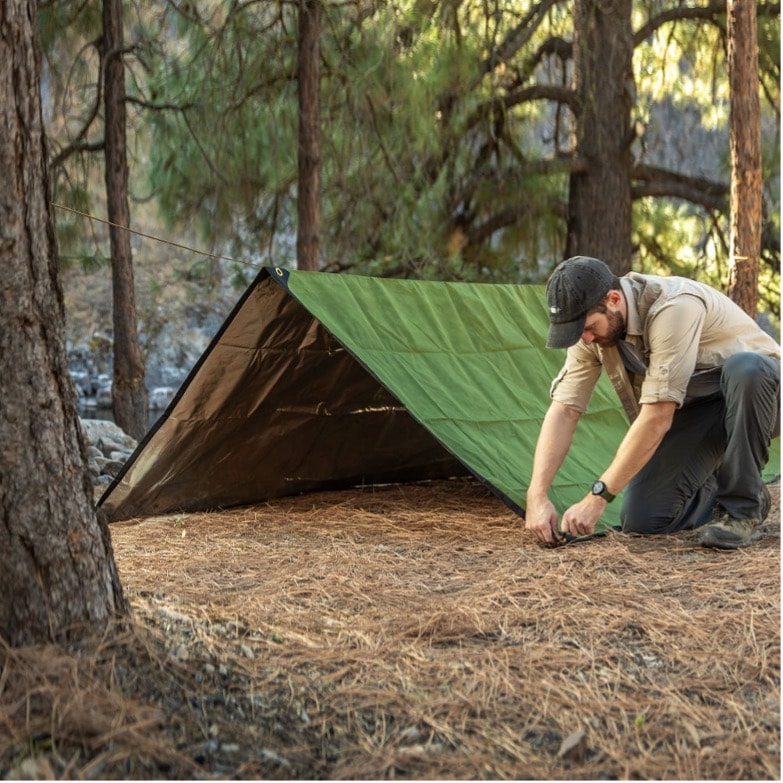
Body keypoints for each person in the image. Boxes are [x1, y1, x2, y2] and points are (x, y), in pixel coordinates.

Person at [525, 256, 781, 549]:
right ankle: (733, 488)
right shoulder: (591, 336)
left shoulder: (674, 307)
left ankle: (741, 510)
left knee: (746, 368)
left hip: (764, 398)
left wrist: (597, 497)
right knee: (644, 519)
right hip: (697, 413)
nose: (586, 338)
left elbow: (658, 416)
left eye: (588, 327)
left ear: (613, 299)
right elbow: (565, 410)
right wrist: (536, 495)